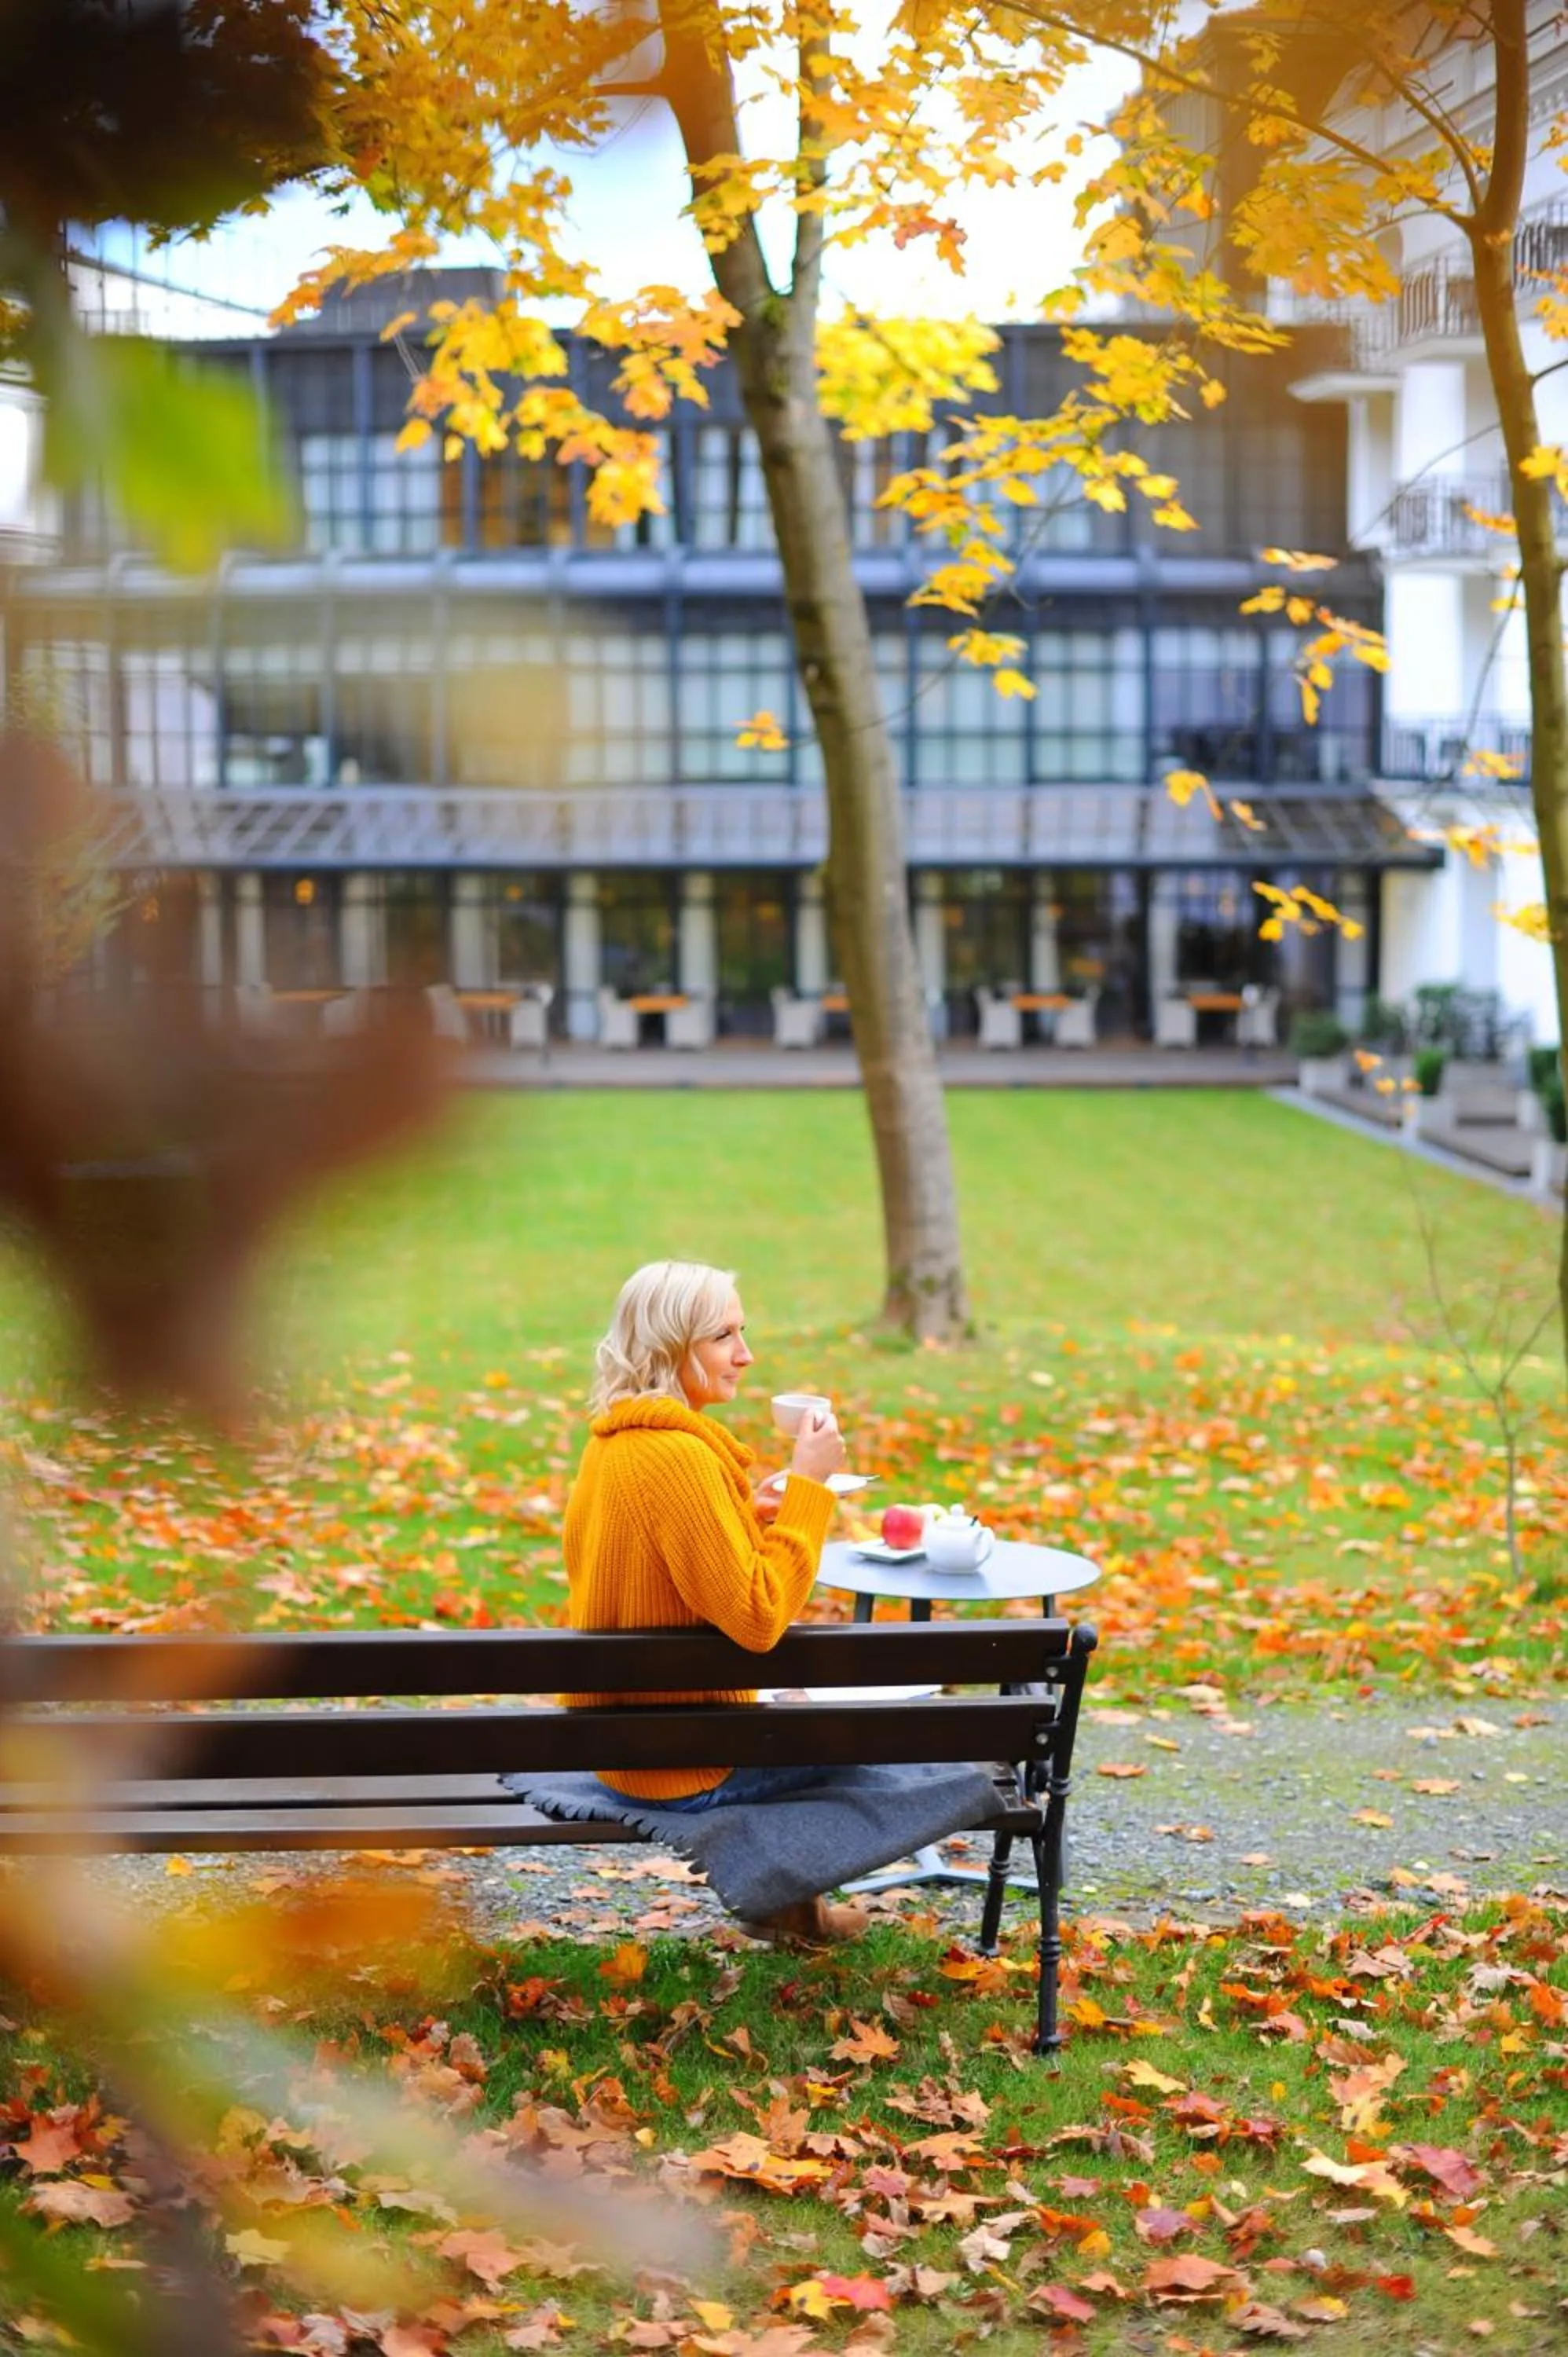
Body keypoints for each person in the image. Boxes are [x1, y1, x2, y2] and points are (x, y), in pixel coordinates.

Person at [562, 1258, 870, 1947]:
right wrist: (812, 1490)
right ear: (673, 1347)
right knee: (878, 1738)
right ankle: (793, 1907)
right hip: (687, 1762)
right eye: (723, 1337)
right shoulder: (680, 1458)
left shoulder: (615, 1445)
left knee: (797, 1718)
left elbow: (667, 1571)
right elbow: (759, 1619)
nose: (746, 1355)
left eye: (742, 1331)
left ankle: (789, 1908)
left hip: (625, 1739)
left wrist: (742, 1514)